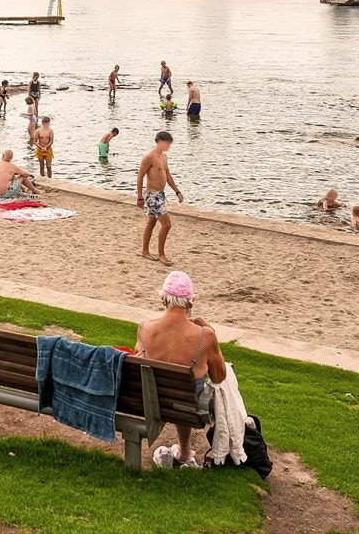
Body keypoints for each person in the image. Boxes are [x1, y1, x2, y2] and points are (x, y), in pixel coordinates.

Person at [136, 271, 227, 468]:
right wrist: (212, 332)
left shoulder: (145, 329)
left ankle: (183, 451)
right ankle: (185, 452)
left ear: (163, 300)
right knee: (187, 393)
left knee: (173, 387)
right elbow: (220, 377)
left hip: (150, 402)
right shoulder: (205, 335)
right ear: (190, 303)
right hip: (187, 408)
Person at [137, 131, 184, 265]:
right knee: (167, 224)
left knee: (151, 222)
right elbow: (140, 176)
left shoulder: (163, 157)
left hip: (160, 194)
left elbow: (168, 175)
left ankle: (145, 251)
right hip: (152, 196)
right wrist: (139, 197)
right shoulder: (149, 157)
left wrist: (177, 191)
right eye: (168, 143)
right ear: (160, 142)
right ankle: (161, 254)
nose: (169, 146)